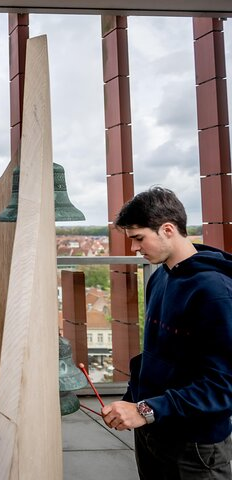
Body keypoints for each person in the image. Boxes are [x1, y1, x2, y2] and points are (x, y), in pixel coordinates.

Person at [103, 186, 232, 479]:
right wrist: (131, 402)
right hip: (152, 428)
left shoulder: (215, 291)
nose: (134, 249)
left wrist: (146, 410)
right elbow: (155, 354)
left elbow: (224, 385)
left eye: (138, 238)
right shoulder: (160, 276)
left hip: (195, 444)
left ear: (168, 229)